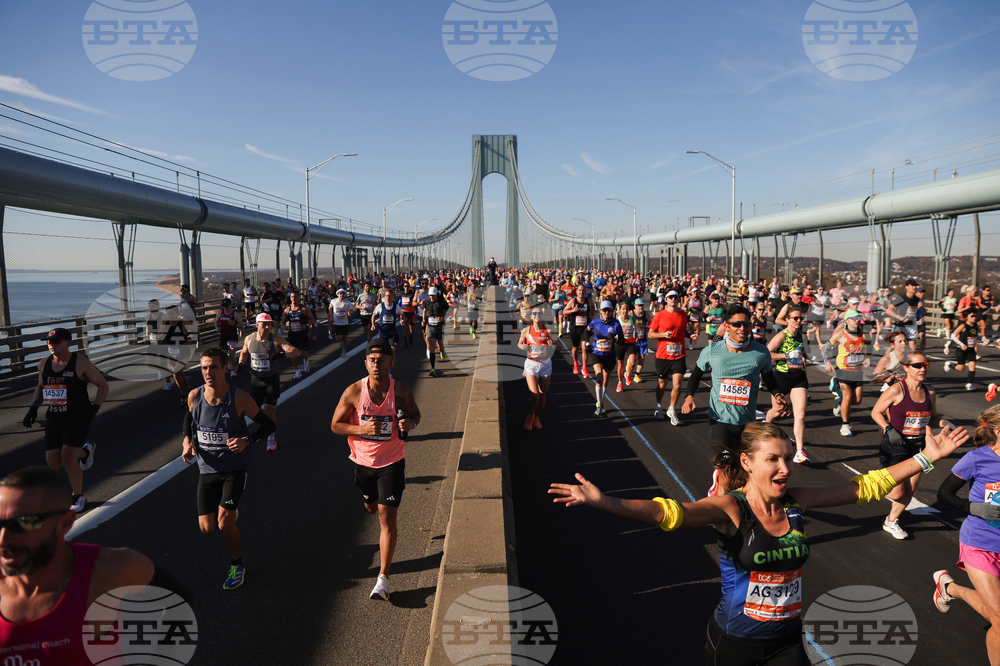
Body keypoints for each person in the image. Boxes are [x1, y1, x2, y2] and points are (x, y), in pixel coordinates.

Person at [549, 420, 969, 666]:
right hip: (735, 644)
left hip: (787, 638)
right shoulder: (731, 508)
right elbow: (670, 513)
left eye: (787, 457)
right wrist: (605, 501)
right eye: (774, 459)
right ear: (748, 463)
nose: (785, 467)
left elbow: (866, 488)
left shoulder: (798, 501)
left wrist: (927, 459)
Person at [0, 467, 191, 664]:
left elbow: (179, 603)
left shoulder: (108, 569)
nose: (3, 539)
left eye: (24, 523)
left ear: (65, 523)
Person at [330, 337, 421, 601]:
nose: (377, 364)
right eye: (372, 360)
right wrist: (361, 429)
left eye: (382, 360)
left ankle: (383, 579)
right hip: (363, 463)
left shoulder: (402, 391)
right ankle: (369, 499)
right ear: (366, 363)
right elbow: (335, 425)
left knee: (386, 517)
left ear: (392, 362)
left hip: (392, 461)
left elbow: (415, 414)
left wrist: (410, 426)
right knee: (371, 507)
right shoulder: (354, 392)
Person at [181, 348, 276, 589]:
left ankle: (237, 564)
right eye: (204, 367)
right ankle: (229, 512)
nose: (208, 372)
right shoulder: (195, 395)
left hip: (234, 468)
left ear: (225, 368)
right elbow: (189, 419)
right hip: (207, 469)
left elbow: (267, 425)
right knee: (207, 529)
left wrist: (247, 441)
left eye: (213, 367)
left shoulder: (240, 398)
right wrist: (186, 441)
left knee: (224, 524)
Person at [682, 304, 789, 496]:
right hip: (720, 421)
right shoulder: (713, 350)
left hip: (747, 422)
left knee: (745, 473)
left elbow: (769, 377)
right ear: (726, 325)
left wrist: (778, 395)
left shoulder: (761, 351)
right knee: (727, 474)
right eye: (737, 324)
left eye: (746, 324)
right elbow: (696, 375)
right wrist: (689, 396)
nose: (742, 328)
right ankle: (721, 518)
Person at [934, 405, 1000, 665]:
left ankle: (950, 588)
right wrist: (974, 508)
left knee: (995, 614)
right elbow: (944, 494)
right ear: (998, 430)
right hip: (980, 542)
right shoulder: (977, 458)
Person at [22, 328, 107, 514]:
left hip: (78, 417)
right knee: (54, 462)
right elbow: (40, 386)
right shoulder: (44, 364)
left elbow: (103, 385)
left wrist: (95, 408)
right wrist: (33, 408)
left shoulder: (81, 363)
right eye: (49, 342)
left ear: (68, 342)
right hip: (54, 418)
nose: (51, 345)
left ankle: (78, 496)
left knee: (67, 458)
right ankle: (85, 452)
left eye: (56, 342)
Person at [870, 352, 941, 540]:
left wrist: (947, 425)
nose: (922, 369)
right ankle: (875, 484)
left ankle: (891, 521)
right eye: (917, 366)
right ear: (906, 368)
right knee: (898, 491)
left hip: (918, 446)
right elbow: (876, 412)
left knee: (911, 487)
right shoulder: (896, 390)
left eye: (925, 365)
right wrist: (888, 429)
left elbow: (934, 418)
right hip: (895, 446)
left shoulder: (929, 392)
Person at [238, 313, 300, 451]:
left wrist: (281, 354)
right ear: (257, 325)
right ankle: (264, 427)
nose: (267, 326)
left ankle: (271, 437)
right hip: (256, 381)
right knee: (250, 410)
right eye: (264, 324)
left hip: (271, 381)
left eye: (269, 324)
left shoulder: (276, 340)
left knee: (269, 410)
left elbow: (295, 352)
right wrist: (240, 364)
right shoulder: (249, 339)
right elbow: (244, 353)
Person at [765, 307, 810, 464]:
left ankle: (799, 451)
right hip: (781, 377)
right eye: (795, 318)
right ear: (788, 320)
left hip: (798, 377)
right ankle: (765, 426)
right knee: (777, 411)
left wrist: (803, 359)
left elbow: (802, 354)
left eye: (800, 318)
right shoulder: (781, 336)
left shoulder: (800, 335)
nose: (798, 321)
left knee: (800, 414)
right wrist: (786, 355)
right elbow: (767, 353)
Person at [648, 290, 697, 425]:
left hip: (679, 355)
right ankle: (658, 405)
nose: (673, 299)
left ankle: (671, 409)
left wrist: (689, 336)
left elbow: (682, 330)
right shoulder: (659, 315)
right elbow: (651, 334)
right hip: (663, 355)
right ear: (666, 300)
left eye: (676, 297)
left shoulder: (682, 314)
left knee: (677, 385)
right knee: (662, 384)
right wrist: (663, 335)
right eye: (671, 297)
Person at [823, 310, 870, 437]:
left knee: (857, 401)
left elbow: (865, 348)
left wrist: (866, 358)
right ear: (847, 320)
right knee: (848, 398)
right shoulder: (840, 335)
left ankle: (839, 401)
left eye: (858, 318)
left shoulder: (862, 334)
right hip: (843, 370)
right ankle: (845, 425)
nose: (857, 320)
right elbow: (824, 349)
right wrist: (827, 362)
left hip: (858, 372)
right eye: (854, 318)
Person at [518, 305, 555, 431]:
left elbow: (558, 345)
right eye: (535, 314)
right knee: (535, 395)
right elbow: (519, 343)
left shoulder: (548, 331)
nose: (537, 316)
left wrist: (553, 343)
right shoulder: (526, 330)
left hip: (545, 364)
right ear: (531, 316)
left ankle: (536, 416)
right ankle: (530, 416)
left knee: (542, 396)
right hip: (531, 364)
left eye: (539, 314)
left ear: (543, 316)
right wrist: (521, 346)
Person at [587, 300, 627, 417]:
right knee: (599, 378)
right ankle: (599, 404)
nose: (606, 313)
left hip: (609, 355)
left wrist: (614, 340)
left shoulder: (616, 323)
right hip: (597, 353)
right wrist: (587, 343)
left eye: (609, 311)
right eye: (604, 311)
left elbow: (622, 340)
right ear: (600, 311)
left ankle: (601, 402)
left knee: (605, 381)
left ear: (612, 312)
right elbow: (586, 331)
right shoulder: (595, 322)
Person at [282, 291, 315, 380]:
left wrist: (307, 325)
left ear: (298, 298)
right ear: (290, 298)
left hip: (302, 334)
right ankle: (297, 371)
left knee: (303, 353)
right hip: (292, 334)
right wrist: (284, 326)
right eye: (292, 297)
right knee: (292, 353)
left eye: (295, 297)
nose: (293, 298)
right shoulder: (287, 310)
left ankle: (306, 360)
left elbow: (312, 320)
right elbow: (283, 322)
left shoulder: (304, 309)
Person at [945, 309, 980, 391]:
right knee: (961, 368)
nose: (974, 318)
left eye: (975, 316)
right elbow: (953, 336)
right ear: (966, 317)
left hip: (971, 349)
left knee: (972, 366)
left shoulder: (975, 326)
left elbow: (975, 338)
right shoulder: (963, 326)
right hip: (961, 349)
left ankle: (969, 384)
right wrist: (961, 344)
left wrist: (983, 341)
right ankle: (949, 365)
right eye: (972, 316)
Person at [563, 283, 593, 378]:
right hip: (575, 328)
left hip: (585, 328)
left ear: (585, 291)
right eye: (579, 290)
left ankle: (584, 367)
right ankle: (575, 363)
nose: (581, 292)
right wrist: (573, 311)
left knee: (584, 347)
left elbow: (592, 308)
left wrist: (591, 314)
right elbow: (564, 311)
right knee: (576, 347)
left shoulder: (589, 301)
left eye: (583, 290)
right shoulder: (573, 301)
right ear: (576, 291)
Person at [423, 287, 449, 377]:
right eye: (430, 295)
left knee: (440, 345)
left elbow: (449, 311)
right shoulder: (427, 303)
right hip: (430, 327)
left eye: (433, 295)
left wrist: (442, 318)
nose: (432, 297)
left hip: (439, 327)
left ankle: (442, 351)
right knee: (431, 346)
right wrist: (423, 320)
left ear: (436, 294)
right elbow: (425, 310)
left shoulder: (441, 302)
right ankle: (433, 368)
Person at [215, 297, 244, 377]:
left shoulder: (235, 314)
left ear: (230, 305)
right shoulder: (220, 313)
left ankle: (233, 370)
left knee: (231, 355)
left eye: (227, 306)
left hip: (232, 336)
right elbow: (216, 321)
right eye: (224, 306)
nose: (225, 308)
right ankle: (229, 363)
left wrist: (234, 324)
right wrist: (217, 327)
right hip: (223, 336)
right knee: (223, 354)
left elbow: (241, 325)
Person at [615, 301, 638, 393]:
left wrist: (636, 334)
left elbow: (635, 327)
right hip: (620, 344)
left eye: (626, 309)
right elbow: (613, 332)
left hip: (630, 343)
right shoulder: (617, 320)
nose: (625, 311)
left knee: (633, 361)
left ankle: (627, 373)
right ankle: (620, 382)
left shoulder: (632, 319)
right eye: (623, 309)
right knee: (620, 365)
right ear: (620, 310)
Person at [372, 288, 403, 353]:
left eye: (390, 296)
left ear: (393, 297)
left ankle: (392, 362)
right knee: (382, 352)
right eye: (387, 296)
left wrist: (402, 320)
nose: (388, 297)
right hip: (382, 332)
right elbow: (374, 315)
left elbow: (402, 314)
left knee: (392, 351)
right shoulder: (380, 306)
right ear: (384, 297)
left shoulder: (396, 307)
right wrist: (373, 325)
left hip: (392, 332)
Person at [329, 288, 354, 358]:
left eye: (343, 293)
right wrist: (331, 317)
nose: (341, 295)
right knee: (338, 338)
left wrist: (350, 313)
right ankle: (341, 342)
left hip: (345, 323)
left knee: (345, 339)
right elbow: (330, 308)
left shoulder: (347, 302)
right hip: (336, 323)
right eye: (340, 293)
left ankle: (344, 351)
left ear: (345, 295)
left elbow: (351, 310)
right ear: (338, 294)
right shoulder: (333, 301)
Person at [632, 299, 650, 383]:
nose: (641, 307)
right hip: (633, 340)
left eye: (642, 305)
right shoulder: (631, 313)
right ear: (635, 306)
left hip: (643, 339)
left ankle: (637, 375)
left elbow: (651, 324)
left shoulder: (646, 314)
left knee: (642, 357)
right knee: (634, 359)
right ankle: (627, 373)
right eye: (639, 305)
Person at [398, 283, 417, 349]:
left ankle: (411, 337)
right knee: (404, 326)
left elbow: (414, 302)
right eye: (405, 286)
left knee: (411, 326)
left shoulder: (412, 294)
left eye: (407, 286)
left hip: (411, 312)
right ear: (403, 287)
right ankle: (405, 341)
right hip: (403, 312)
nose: (406, 287)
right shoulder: (401, 294)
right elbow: (399, 303)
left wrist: (411, 304)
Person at [941, 288, 958, 352]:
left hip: (952, 313)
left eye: (953, 292)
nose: (952, 293)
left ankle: (941, 330)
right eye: (951, 292)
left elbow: (958, 305)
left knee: (951, 327)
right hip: (946, 314)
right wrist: (943, 309)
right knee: (948, 326)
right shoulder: (945, 298)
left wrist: (955, 308)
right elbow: (939, 303)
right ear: (948, 293)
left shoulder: (955, 299)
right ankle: (948, 338)